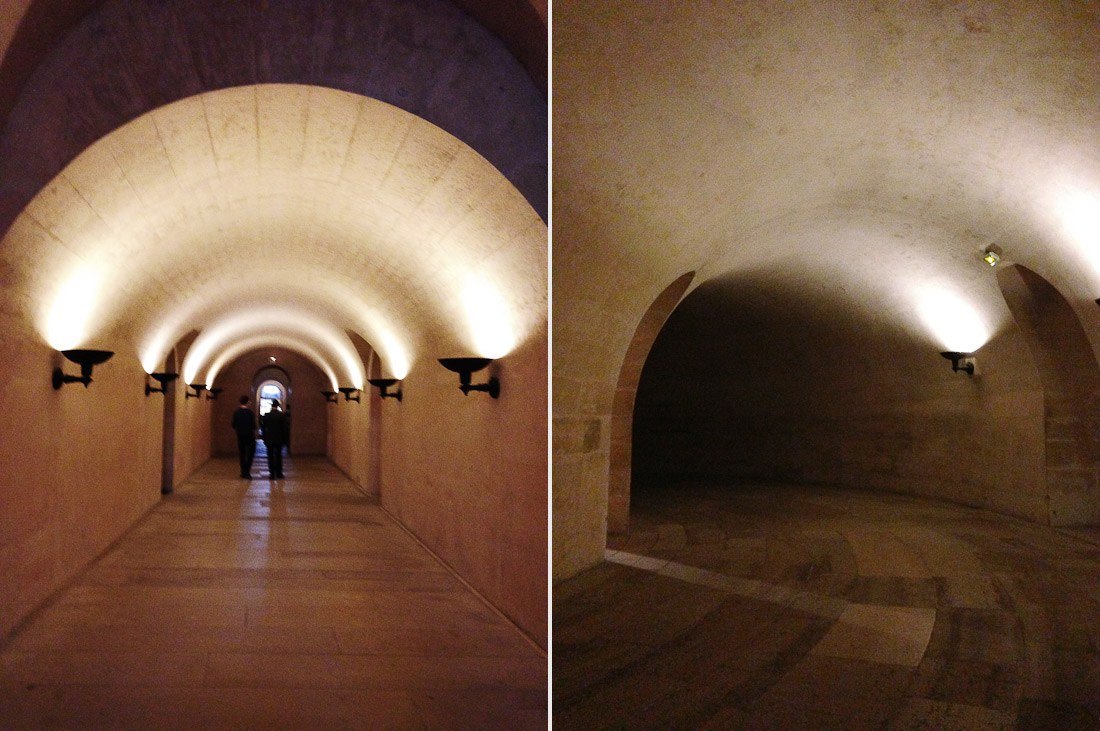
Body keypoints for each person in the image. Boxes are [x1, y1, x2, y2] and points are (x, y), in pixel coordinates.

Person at [261, 399, 289, 479]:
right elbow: (284, 428)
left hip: (269, 439)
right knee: (278, 456)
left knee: (270, 456)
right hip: (279, 439)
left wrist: (264, 437)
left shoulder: (267, 415)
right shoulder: (281, 415)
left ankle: (272, 474)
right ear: (278, 406)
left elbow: (263, 427)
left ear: (271, 406)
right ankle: (279, 473)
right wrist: (284, 439)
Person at [231, 395, 256, 479]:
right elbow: (254, 426)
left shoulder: (236, 412)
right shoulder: (250, 413)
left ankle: (243, 471)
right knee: (250, 454)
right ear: (247, 402)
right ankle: (247, 472)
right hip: (249, 436)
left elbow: (233, 425)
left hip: (240, 435)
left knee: (242, 453)